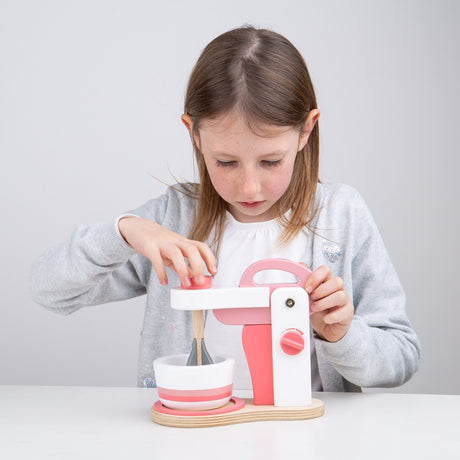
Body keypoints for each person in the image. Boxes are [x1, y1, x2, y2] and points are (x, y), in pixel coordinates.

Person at [30, 26, 421, 392]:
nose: (249, 187)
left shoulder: (341, 215)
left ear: (306, 130)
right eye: (226, 162)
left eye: (271, 161)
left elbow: (401, 357)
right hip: (193, 430)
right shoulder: (174, 220)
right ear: (194, 134)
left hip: (303, 433)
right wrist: (127, 231)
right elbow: (49, 291)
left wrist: (342, 336)